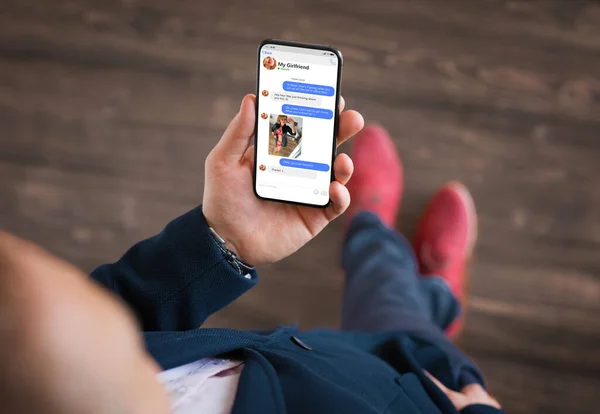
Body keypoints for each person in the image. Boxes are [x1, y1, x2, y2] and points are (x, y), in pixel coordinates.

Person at [0, 94, 503, 414]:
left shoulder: (57, 360)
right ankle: (420, 274)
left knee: (387, 294)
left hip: (319, 357)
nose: (146, 353)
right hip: (431, 395)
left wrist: (220, 240)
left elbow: (118, 305)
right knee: (401, 309)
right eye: (127, 357)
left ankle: (384, 244)